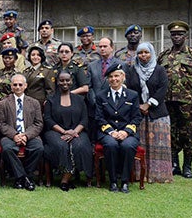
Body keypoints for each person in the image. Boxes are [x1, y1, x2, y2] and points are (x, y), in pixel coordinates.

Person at [157, 20, 192, 179]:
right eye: (174, 34)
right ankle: (174, 164)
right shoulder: (163, 55)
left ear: (185, 36)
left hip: (187, 101)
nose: (176, 37)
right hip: (167, 101)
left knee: (189, 133)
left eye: (180, 34)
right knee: (171, 133)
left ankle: (187, 166)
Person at [126, 42, 172, 183]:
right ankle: (141, 175)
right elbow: (129, 89)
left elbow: (163, 89)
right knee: (141, 145)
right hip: (138, 112)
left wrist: (148, 104)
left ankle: (159, 176)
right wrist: (139, 105)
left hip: (158, 113)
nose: (143, 55)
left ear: (151, 53)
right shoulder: (132, 70)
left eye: (146, 52)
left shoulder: (159, 70)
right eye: (140, 53)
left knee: (158, 145)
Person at [95, 63, 142, 193]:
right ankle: (113, 181)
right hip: (107, 133)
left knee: (128, 146)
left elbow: (137, 117)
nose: (114, 79)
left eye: (116, 76)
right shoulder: (101, 95)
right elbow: (99, 118)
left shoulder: (132, 95)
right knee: (111, 145)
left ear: (123, 77)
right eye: (110, 77)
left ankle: (125, 181)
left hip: (128, 133)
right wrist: (111, 132)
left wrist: (126, 132)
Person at [43, 71, 93, 191]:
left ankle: (66, 179)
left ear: (71, 81)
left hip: (78, 131)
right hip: (55, 131)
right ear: (58, 82)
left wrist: (74, 131)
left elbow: (84, 119)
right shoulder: (51, 100)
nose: (64, 83)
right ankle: (65, 176)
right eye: (61, 80)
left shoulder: (80, 100)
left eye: (67, 80)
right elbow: (48, 119)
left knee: (79, 145)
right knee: (61, 145)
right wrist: (64, 132)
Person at [0, 74, 43, 191]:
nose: (17, 87)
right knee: (7, 149)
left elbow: (38, 123)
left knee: (39, 148)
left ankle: (21, 178)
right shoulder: (4, 103)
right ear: (11, 87)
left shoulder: (34, 102)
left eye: (20, 85)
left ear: (25, 86)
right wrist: (14, 135)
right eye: (15, 85)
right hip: (10, 135)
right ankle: (25, 178)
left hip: (30, 135)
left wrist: (26, 135)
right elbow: (0, 123)